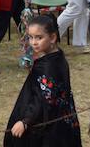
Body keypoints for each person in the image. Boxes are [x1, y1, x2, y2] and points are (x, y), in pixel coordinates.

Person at [5, 14, 82, 147]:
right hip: (61, 121)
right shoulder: (58, 57)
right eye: (30, 37)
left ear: (52, 37)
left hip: (46, 127)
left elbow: (42, 99)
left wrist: (25, 121)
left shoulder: (47, 66)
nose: (33, 42)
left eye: (39, 38)